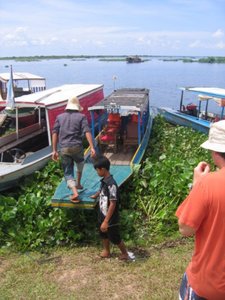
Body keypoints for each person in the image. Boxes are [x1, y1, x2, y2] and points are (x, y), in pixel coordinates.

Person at [176, 120, 225, 300]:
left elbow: (185, 229)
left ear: (215, 152)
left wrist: (196, 185)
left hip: (209, 285)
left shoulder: (207, 184)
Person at [52, 96, 96, 203]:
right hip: (77, 147)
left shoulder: (60, 117)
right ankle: (79, 183)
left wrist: (54, 150)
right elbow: (87, 131)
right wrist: (92, 147)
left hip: (64, 148)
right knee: (80, 163)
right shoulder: (81, 117)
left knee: (68, 171)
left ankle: (74, 191)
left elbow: (55, 133)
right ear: (77, 107)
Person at [90, 155, 129, 260]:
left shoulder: (111, 184)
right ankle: (107, 250)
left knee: (114, 236)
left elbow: (113, 203)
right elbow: (102, 190)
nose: (97, 173)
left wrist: (106, 221)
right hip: (102, 213)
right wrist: (97, 194)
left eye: (97, 170)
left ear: (102, 169)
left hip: (110, 217)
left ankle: (125, 253)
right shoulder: (104, 181)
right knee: (103, 233)